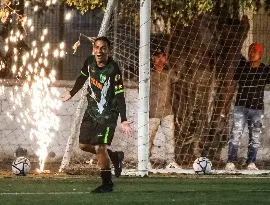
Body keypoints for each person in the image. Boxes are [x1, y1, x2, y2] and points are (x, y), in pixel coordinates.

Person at [61, 36, 132, 193]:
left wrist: (124, 119)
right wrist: (71, 93)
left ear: (108, 50)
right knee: (83, 145)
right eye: (97, 48)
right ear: (93, 49)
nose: (99, 51)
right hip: (91, 111)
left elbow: (120, 95)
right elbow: (82, 78)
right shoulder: (89, 62)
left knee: (100, 147)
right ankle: (114, 156)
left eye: (103, 48)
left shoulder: (113, 69)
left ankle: (107, 184)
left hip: (108, 115)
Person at [225, 43, 270, 171]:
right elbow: (233, 85)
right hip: (241, 107)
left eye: (254, 51)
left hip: (257, 109)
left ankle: (251, 162)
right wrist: (226, 102)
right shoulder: (242, 68)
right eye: (250, 51)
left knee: (255, 137)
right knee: (236, 134)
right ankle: (230, 161)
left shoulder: (265, 70)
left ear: (260, 54)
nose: (251, 53)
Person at [148, 47, 181, 170]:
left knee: (170, 138)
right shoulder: (149, 74)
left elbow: (177, 80)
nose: (160, 59)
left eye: (163, 56)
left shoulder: (169, 73)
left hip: (167, 111)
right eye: (157, 56)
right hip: (152, 111)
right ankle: (145, 160)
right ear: (153, 58)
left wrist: (170, 64)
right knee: (149, 138)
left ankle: (170, 161)